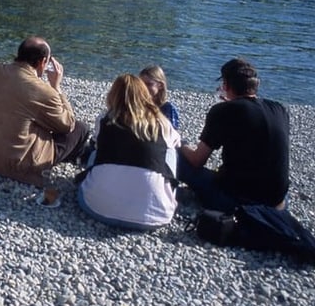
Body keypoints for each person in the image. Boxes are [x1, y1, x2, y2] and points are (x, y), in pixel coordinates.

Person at [0, 36, 90, 186]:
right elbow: (67, 125)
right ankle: (76, 159)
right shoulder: (44, 92)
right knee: (80, 128)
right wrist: (56, 87)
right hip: (16, 165)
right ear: (42, 62)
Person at [177, 58, 290, 213]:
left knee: (175, 156)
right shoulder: (279, 109)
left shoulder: (223, 111)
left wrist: (180, 143)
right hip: (278, 202)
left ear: (226, 85)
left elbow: (197, 160)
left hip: (237, 202)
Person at [76, 74, 181, 230]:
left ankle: (103, 185)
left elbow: (99, 145)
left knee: (95, 153)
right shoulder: (161, 122)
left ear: (113, 95)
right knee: (171, 152)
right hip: (155, 216)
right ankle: (162, 193)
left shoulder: (105, 118)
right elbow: (177, 143)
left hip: (97, 207)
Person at [139, 64, 180, 130]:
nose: (144, 87)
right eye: (141, 84)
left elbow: (171, 134)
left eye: (149, 84)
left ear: (160, 85)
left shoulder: (168, 108)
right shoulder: (137, 104)